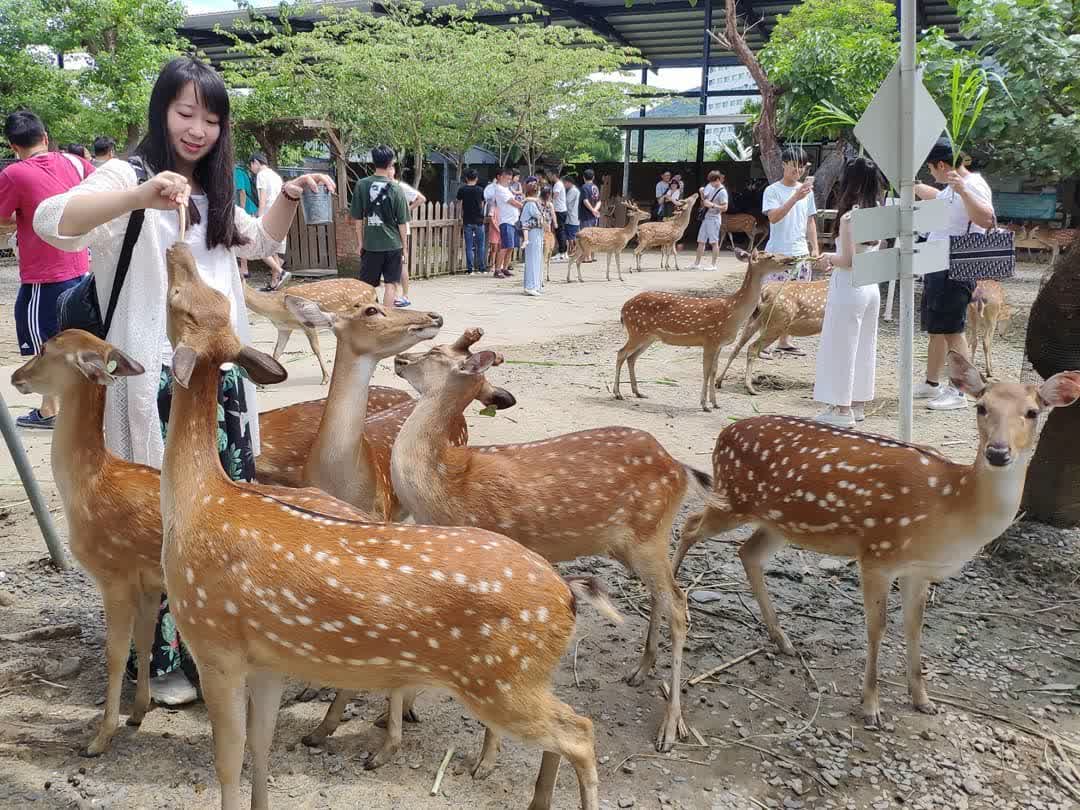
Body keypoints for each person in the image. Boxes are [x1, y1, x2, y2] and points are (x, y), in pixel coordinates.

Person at [34, 56, 334, 706]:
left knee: (221, 519)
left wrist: (284, 197)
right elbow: (52, 219)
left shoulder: (215, 188)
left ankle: (217, 649)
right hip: (159, 384)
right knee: (164, 520)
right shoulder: (128, 174)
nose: (198, 129)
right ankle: (160, 660)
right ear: (162, 110)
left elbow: (256, 244)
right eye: (186, 112)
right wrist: (138, 197)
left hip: (218, 384)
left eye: (212, 118)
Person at [0, 110, 95, 429]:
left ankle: (53, 410)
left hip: (45, 273)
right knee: (72, 337)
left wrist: (21, 217)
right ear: (44, 137)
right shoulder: (76, 162)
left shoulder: (14, 173)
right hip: (81, 267)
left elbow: (1, 218)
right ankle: (54, 407)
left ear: (13, 146)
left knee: (45, 343)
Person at [914, 136, 995, 411]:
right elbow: (941, 201)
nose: (931, 174)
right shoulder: (952, 188)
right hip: (938, 262)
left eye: (931, 169)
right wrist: (915, 187)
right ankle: (931, 382)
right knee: (937, 329)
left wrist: (963, 191)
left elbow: (987, 218)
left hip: (956, 265)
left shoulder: (971, 185)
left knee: (952, 329)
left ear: (941, 164)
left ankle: (959, 391)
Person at [811, 157, 884, 427]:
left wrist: (829, 257)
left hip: (850, 286)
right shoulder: (878, 210)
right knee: (864, 345)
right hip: (871, 287)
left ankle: (841, 410)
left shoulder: (850, 216)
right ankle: (857, 402)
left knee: (841, 346)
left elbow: (849, 260)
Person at [760, 146, 820, 356]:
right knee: (774, 301)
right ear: (784, 164)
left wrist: (815, 247)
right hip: (778, 254)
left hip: (800, 252)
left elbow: (810, 220)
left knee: (796, 300)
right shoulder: (773, 191)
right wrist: (795, 197)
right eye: (794, 165)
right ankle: (764, 342)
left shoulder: (806, 191)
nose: (798, 170)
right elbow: (773, 217)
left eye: (802, 166)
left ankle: (785, 341)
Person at [351, 145, 409, 306]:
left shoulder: (361, 185)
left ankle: (372, 315)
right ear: (390, 162)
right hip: (393, 245)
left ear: (373, 161)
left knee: (367, 286)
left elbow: (358, 218)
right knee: (391, 284)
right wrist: (405, 246)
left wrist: (360, 243)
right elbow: (402, 222)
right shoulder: (396, 188)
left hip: (371, 246)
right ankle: (386, 318)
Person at [248, 152, 289, 290]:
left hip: (269, 216)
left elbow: (263, 199)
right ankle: (274, 284)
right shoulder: (276, 176)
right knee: (275, 251)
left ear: (256, 162)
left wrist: (259, 219)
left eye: (251, 165)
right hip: (281, 215)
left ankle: (281, 273)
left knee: (262, 249)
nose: (251, 168)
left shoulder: (261, 175)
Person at [388, 165, 425, 307]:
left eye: (391, 169)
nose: (389, 172)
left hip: (401, 230)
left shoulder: (400, 186)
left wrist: (406, 210)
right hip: (388, 230)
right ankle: (395, 294)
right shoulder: (381, 187)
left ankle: (405, 295)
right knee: (392, 264)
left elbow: (421, 198)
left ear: (394, 171)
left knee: (402, 263)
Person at [692, 171, 729, 270]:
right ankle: (697, 263)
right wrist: (702, 194)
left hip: (714, 219)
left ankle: (713, 265)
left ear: (717, 180)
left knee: (714, 242)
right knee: (701, 240)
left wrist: (713, 205)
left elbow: (725, 207)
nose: (711, 184)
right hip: (706, 218)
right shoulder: (712, 188)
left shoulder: (722, 192)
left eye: (712, 182)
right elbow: (705, 202)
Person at [493, 167, 523, 278]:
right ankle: (497, 269)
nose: (508, 181)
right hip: (506, 221)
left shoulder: (507, 189)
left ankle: (505, 268)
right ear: (499, 177)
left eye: (510, 179)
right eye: (506, 178)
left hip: (514, 220)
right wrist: (523, 205)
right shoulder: (499, 189)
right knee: (505, 246)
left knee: (511, 246)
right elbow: (512, 202)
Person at [457, 169, 486, 274]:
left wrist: (460, 216)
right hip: (479, 220)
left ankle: (470, 269)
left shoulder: (462, 190)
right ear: (476, 178)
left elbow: (459, 204)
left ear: (466, 178)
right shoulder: (480, 190)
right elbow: (482, 204)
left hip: (467, 220)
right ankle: (482, 268)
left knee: (469, 246)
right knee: (480, 245)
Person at [520, 178, 544, 296]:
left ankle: (536, 284)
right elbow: (528, 219)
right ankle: (530, 285)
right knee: (532, 259)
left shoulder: (533, 202)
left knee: (537, 258)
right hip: (532, 233)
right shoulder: (530, 204)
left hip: (537, 232)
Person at [233, 163, 258, 278]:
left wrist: (241, 211)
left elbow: (241, 191)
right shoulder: (241, 171)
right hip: (248, 208)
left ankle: (244, 268)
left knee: (244, 238)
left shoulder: (237, 172)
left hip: (246, 208)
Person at [578, 169, 601, 261]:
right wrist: (595, 210)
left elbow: (585, 201)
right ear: (593, 177)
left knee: (586, 236)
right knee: (594, 235)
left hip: (586, 216)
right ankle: (592, 255)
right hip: (595, 216)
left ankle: (587, 257)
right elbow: (599, 201)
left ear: (583, 177)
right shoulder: (596, 188)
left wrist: (592, 210)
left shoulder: (583, 187)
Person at [546, 169, 568, 262]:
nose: (549, 176)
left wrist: (547, 202)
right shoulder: (559, 184)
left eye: (550, 174)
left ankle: (562, 253)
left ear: (554, 175)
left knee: (560, 231)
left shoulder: (558, 184)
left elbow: (554, 196)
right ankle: (563, 252)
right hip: (560, 210)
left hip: (559, 210)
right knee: (560, 231)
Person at [483, 177, 500, 271]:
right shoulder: (492, 206)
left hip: (500, 228)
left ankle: (498, 264)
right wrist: (497, 227)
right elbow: (491, 218)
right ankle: (492, 264)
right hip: (494, 229)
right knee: (494, 248)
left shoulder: (503, 207)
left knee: (500, 248)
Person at [563, 176, 581, 261]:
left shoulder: (573, 191)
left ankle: (573, 251)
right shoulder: (574, 190)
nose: (564, 185)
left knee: (571, 237)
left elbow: (566, 201)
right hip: (573, 217)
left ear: (569, 182)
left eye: (565, 183)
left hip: (572, 217)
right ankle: (572, 251)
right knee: (571, 236)